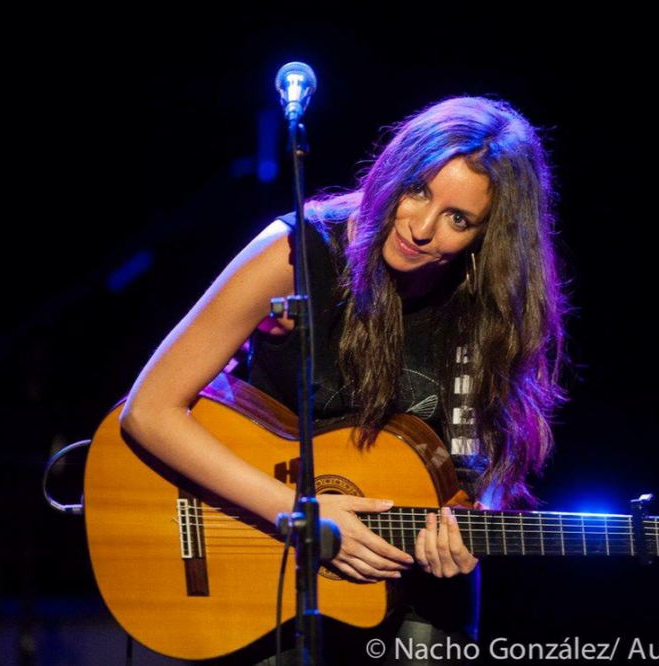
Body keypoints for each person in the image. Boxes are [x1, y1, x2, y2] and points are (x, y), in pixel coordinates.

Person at [120, 95, 570, 665]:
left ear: (490, 236)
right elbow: (149, 410)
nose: (423, 229)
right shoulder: (297, 253)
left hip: (414, 583)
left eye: (459, 220)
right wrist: (298, 510)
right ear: (396, 172)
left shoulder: (491, 309)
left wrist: (475, 517)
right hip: (269, 567)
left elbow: (486, 462)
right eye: (418, 191)